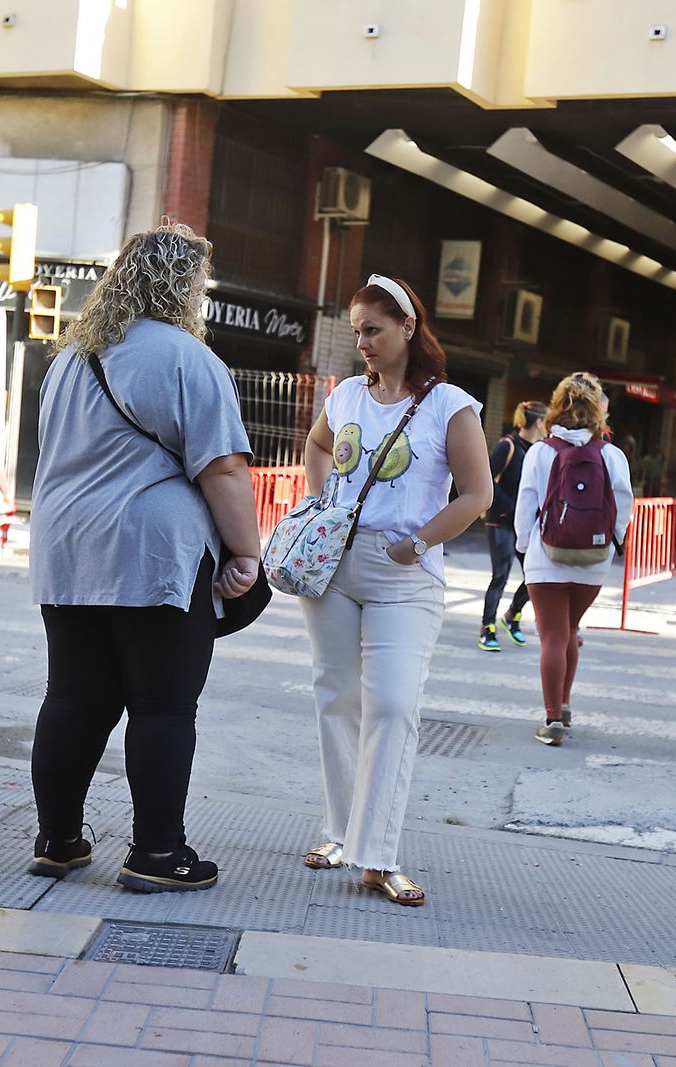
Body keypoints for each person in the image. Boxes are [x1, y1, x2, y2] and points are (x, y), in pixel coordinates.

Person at [27, 222, 260, 893]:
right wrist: (246, 553)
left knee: (73, 696)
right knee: (162, 706)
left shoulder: (70, 360)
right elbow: (222, 468)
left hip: (68, 550)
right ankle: (158, 853)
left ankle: (58, 840)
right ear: (183, 286)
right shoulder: (187, 358)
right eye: (200, 284)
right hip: (153, 556)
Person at [297, 274, 490, 907]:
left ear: (409, 327)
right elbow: (317, 445)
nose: (363, 343)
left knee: (393, 704)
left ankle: (377, 856)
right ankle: (340, 832)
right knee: (336, 697)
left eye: (373, 330)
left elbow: (477, 495)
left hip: (405, 573)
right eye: (357, 332)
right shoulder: (349, 395)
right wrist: (324, 505)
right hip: (334, 565)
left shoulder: (449, 405)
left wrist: (421, 542)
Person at [515, 374, 633, 746]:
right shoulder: (612, 455)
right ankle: (564, 704)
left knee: (552, 636)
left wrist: (523, 546)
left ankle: (552, 720)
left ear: (556, 405)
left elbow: (526, 504)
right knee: (570, 630)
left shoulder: (541, 452)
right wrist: (612, 543)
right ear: (598, 409)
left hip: (546, 557)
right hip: (593, 561)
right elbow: (624, 506)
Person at [479, 401, 547, 651]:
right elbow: (486, 478)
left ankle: (512, 615)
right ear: (539, 422)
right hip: (501, 520)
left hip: (526, 524)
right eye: (547, 422)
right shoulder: (508, 445)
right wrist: (510, 506)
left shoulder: (540, 450)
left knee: (535, 574)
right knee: (501, 575)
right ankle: (487, 628)